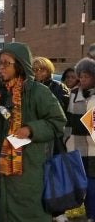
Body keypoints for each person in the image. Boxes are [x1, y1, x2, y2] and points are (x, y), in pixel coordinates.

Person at [0, 42, 67, 222]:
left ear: (19, 65)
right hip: (1, 166)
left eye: (6, 63)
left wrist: (31, 129)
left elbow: (58, 122)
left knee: (28, 210)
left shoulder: (38, 92)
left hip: (29, 166)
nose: (1, 67)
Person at [32, 56, 70, 222]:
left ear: (49, 70)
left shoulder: (58, 87)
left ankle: (58, 211)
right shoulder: (30, 88)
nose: (39, 72)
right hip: (35, 136)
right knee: (37, 174)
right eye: (35, 69)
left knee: (55, 173)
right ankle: (39, 207)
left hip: (53, 138)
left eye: (42, 69)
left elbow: (60, 111)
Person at [66, 57, 95, 222]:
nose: (83, 80)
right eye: (81, 76)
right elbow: (68, 120)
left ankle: (92, 214)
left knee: (92, 184)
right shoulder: (73, 94)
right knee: (79, 182)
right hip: (75, 146)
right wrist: (66, 139)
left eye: (87, 76)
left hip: (93, 148)